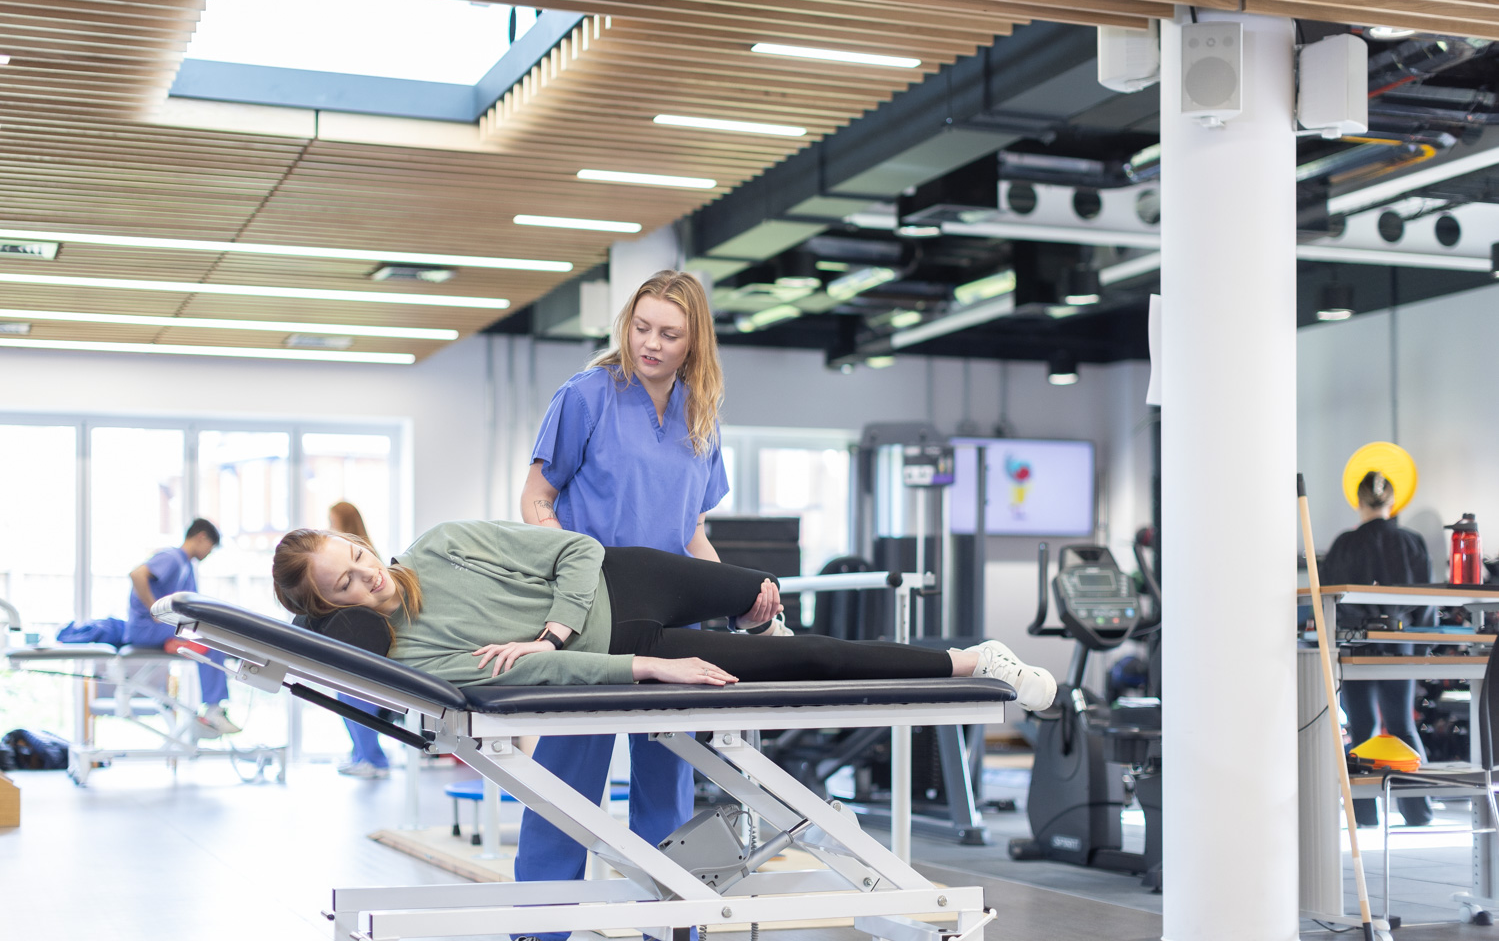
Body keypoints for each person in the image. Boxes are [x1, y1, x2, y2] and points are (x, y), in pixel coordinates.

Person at [514, 269, 778, 941]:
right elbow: (535, 499)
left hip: (672, 622)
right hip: (597, 614)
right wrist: (572, 574)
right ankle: (539, 933)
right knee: (568, 787)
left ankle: (672, 928)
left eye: (668, 333)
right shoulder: (585, 396)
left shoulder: (700, 413)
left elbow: (689, 530)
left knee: (669, 784)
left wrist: (736, 596)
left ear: (694, 343)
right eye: (641, 327)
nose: (650, 344)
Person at [268, 521, 1058, 702]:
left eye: (356, 556)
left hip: (625, 579)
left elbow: (574, 549)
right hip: (636, 639)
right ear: (326, 608)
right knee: (808, 660)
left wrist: (552, 625)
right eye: (341, 585)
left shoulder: (442, 545)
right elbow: (547, 674)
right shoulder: (405, 656)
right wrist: (645, 665)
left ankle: (755, 613)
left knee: (757, 587)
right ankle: (975, 659)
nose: (364, 577)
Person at [1320, 470, 1435, 828]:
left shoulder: (1343, 545)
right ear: (1393, 501)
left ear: (1357, 501)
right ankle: (1418, 811)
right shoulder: (1412, 542)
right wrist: (1422, 648)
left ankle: (1364, 813)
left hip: (1355, 647)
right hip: (1401, 646)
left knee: (1361, 727)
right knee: (1401, 725)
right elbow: (1426, 602)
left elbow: (1327, 597)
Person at [124, 518, 239, 736]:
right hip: (146, 629)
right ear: (201, 537)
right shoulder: (172, 558)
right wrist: (153, 609)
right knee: (209, 639)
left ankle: (215, 706)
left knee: (212, 635)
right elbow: (137, 574)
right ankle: (214, 709)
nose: (209, 553)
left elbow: (193, 607)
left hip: (159, 629)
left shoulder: (186, 567)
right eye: (210, 548)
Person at [321, 501, 391, 780]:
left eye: (332, 520)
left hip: (366, 644)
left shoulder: (363, 556)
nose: (328, 526)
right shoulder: (348, 557)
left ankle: (375, 759)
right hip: (350, 642)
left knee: (359, 701)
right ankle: (361, 754)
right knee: (345, 698)